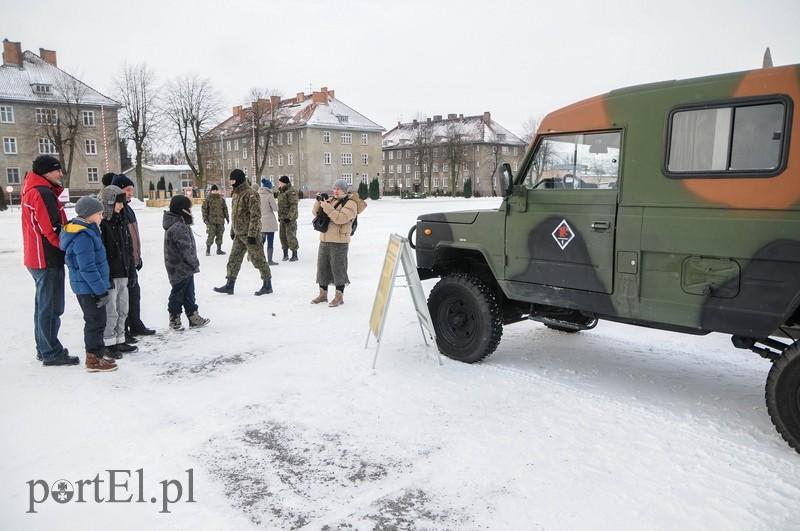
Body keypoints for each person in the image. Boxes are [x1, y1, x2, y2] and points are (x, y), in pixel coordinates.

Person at [21, 155, 77, 365]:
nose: (60, 174)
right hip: (46, 258)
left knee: (43, 305)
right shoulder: (42, 193)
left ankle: (43, 348)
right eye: (56, 170)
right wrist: (68, 246)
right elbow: (51, 229)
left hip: (37, 257)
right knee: (52, 306)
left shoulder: (33, 190)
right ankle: (51, 351)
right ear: (45, 172)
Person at [59, 196, 118, 372]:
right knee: (95, 322)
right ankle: (93, 359)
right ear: (89, 214)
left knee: (98, 321)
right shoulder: (82, 236)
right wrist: (100, 290)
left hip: (90, 286)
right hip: (89, 288)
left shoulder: (88, 230)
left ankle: (98, 354)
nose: (102, 217)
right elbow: (87, 268)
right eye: (99, 213)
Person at [213, 169, 273, 296]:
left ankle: (267, 284)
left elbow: (255, 216)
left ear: (239, 180)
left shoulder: (251, 194)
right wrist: (232, 230)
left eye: (233, 180)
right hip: (239, 234)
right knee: (233, 259)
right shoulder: (235, 194)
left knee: (258, 259)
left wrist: (252, 234)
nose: (231, 183)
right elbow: (235, 214)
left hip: (250, 234)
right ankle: (230, 285)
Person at [111, 174, 155, 340]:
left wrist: (137, 257)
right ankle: (124, 331)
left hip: (131, 260)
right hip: (122, 263)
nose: (130, 193)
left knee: (134, 293)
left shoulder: (127, 208)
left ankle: (135, 324)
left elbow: (132, 236)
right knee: (124, 298)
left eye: (131, 190)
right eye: (127, 190)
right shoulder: (116, 210)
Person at [310, 179, 366, 307]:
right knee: (322, 268)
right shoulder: (332, 200)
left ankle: (339, 297)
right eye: (334, 188)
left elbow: (340, 219)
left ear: (344, 190)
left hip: (340, 242)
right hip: (324, 239)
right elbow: (315, 213)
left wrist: (328, 207)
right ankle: (323, 295)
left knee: (338, 269)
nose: (335, 191)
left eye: (338, 189)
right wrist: (319, 202)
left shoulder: (351, 204)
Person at [99, 185, 137, 356]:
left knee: (123, 308)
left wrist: (131, 270)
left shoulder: (121, 221)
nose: (122, 206)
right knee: (111, 311)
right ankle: (108, 341)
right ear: (109, 203)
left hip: (123, 272)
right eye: (118, 203)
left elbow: (127, 247)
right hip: (110, 274)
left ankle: (120, 338)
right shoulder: (103, 225)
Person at [163, 195, 210, 330]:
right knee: (178, 294)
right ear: (182, 209)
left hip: (181, 267)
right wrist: (194, 262)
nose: (190, 211)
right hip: (180, 267)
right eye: (188, 208)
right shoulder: (179, 227)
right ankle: (174, 317)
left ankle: (192, 316)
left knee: (189, 293)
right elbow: (186, 249)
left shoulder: (178, 224)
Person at [201, 184, 229, 256]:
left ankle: (219, 249)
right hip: (211, 221)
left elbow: (225, 209)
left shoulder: (221, 199)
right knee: (211, 235)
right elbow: (204, 209)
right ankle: (208, 250)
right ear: (211, 191)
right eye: (213, 190)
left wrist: (227, 217)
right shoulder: (208, 199)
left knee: (220, 235)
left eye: (216, 190)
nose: (215, 191)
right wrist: (205, 219)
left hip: (220, 220)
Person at [275, 175, 299, 261]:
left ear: (284, 183)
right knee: (282, 236)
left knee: (291, 236)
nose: (279, 184)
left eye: (280, 182)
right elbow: (280, 206)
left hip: (290, 219)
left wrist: (289, 217)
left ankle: (294, 254)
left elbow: (293, 205)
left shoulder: (291, 191)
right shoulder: (281, 192)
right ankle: (285, 254)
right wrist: (279, 217)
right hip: (282, 218)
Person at [258, 178, 280, 266]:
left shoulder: (258, 195)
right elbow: (275, 209)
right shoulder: (270, 195)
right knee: (270, 241)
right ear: (269, 187)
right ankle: (270, 260)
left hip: (261, 222)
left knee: (261, 242)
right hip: (269, 222)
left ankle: (258, 259)